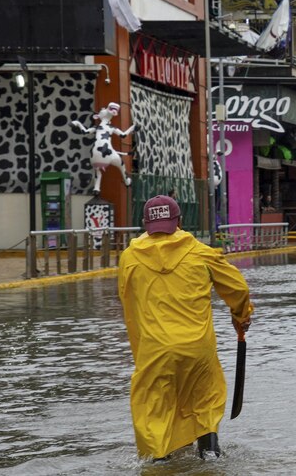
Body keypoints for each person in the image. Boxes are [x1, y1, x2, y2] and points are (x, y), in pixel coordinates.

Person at [117, 195, 254, 460]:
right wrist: (241, 315)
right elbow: (238, 288)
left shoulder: (129, 258)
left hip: (155, 350)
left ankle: (159, 459)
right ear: (179, 221)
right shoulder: (200, 252)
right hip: (197, 348)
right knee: (204, 398)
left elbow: (129, 306)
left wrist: (141, 353)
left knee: (154, 409)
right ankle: (210, 450)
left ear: (145, 224)